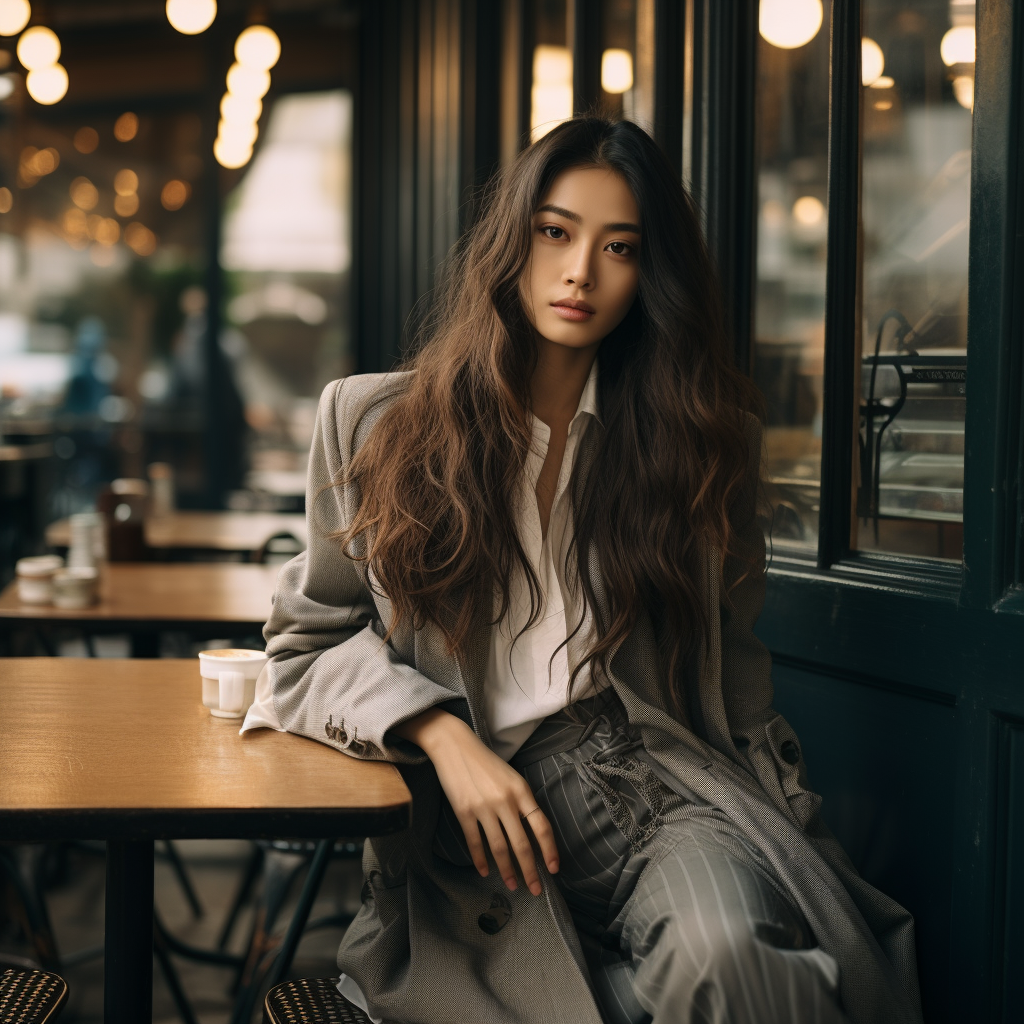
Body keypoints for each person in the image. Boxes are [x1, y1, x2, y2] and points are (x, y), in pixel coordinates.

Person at [242, 117, 923, 1024]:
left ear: (649, 275)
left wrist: (788, 816)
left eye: (621, 247)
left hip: (655, 785)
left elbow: (735, 666)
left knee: (740, 964)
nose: (580, 273)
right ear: (511, 242)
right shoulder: (378, 423)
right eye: (555, 233)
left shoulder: (696, 444)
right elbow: (302, 647)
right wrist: (441, 738)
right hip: (480, 816)